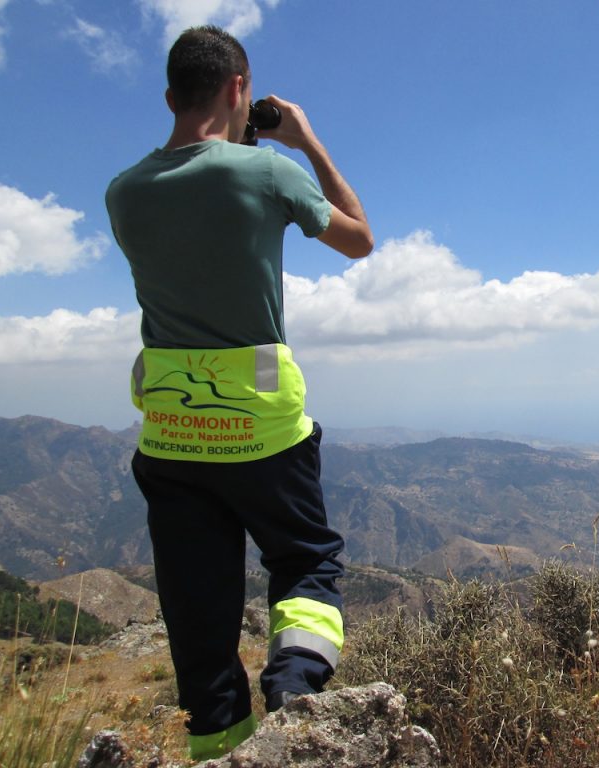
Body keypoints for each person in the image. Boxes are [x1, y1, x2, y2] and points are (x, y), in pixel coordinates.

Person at [105, 25, 373, 761]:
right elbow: (359, 240)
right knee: (306, 563)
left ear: (169, 96)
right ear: (239, 90)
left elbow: (202, 223)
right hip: (263, 433)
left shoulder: (122, 193)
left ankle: (221, 748)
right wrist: (306, 142)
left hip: (171, 435)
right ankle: (294, 688)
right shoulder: (270, 175)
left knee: (198, 611)